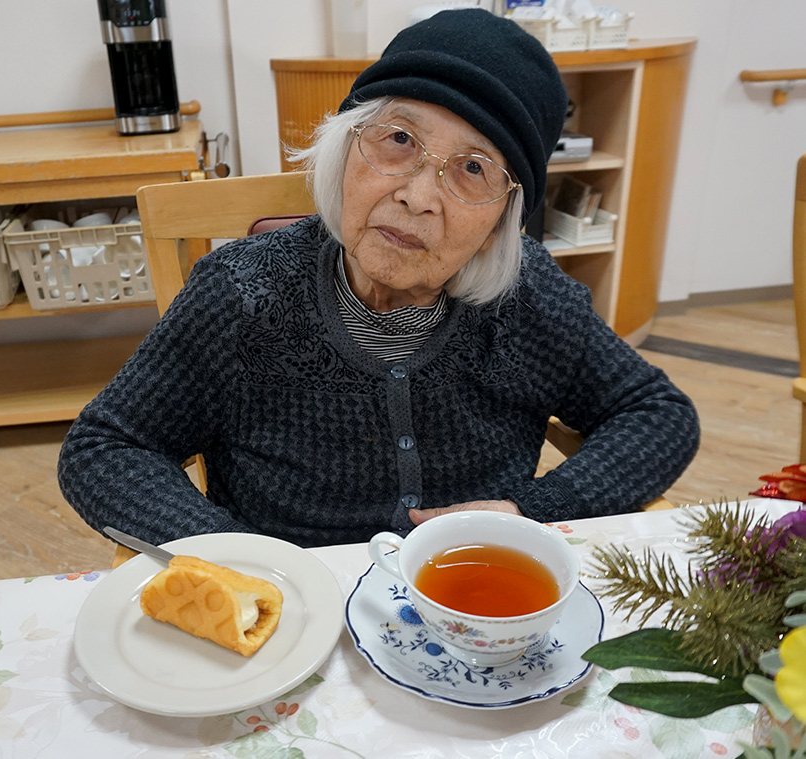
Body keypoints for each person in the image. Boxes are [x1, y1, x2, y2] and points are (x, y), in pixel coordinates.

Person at [58, 9, 699, 549]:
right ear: (344, 150)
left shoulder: (526, 296)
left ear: (504, 216)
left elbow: (658, 413)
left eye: (472, 169)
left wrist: (535, 512)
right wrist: (230, 555)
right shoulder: (242, 294)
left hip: (468, 606)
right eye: (398, 139)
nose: (419, 196)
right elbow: (107, 446)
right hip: (290, 621)